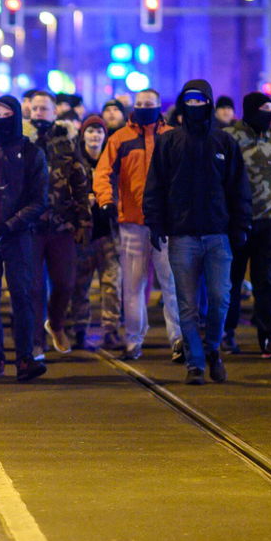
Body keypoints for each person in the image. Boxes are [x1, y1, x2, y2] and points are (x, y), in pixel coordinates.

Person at [144, 80, 251, 385]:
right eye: (188, 102)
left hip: (218, 235)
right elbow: (156, 186)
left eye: (199, 101)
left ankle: (213, 348)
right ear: (182, 105)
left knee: (220, 299)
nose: (194, 107)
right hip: (182, 236)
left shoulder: (224, 143)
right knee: (187, 304)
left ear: (209, 103)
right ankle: (195, 362)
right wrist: (155, 223)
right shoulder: (169, 142)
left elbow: (238, 188)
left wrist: (241, 225)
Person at [95, 88, 180, 358]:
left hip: (165, 224)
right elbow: (103, 172)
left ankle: (177, 338)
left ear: (158, 106)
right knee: (133, 285)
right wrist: (106, 201)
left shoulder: (171, 137)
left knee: (171, 283)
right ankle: (134, 340)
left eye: (149, 104)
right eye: (140, 104)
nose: (144, 107)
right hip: (132, 222)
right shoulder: (120, 138)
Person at [0, 96, 49, 381]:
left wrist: (11, 224)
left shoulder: (32, 153)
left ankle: (25, 358)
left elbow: (39, 200)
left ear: (17, 116)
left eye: (8, 113)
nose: (2, 119)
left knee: (22, 296)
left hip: (17, 236)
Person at [223, 92, 271, 358]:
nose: (269, 113)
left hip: (269, 222)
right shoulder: (230, 138)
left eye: (270, 108)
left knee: (267, 282)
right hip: (236, 222)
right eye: (263, 108)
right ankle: (225, 333)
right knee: (230, 281)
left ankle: (270, 336)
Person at [28, 91, 90, 355]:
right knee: (34, 287)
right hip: (29, 227)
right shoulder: (22, 141)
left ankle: (56, 323)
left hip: (62, 224)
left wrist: (83, 220)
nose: (39, 113)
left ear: (54, 112)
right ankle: (35, 342)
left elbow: (79, 180)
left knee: (65, 282)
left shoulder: (67, 141)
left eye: (44, 109)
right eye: (35, 109)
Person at [73, 115, 119, 351]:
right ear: (83, 135)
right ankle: (80, 328)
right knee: (80, 283)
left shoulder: (111, 161)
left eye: (99, 132)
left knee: (111, 283)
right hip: (83, 233)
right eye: (91, 131)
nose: (95, 136)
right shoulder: (76, 161)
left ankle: (111, 328)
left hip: (108, 231)